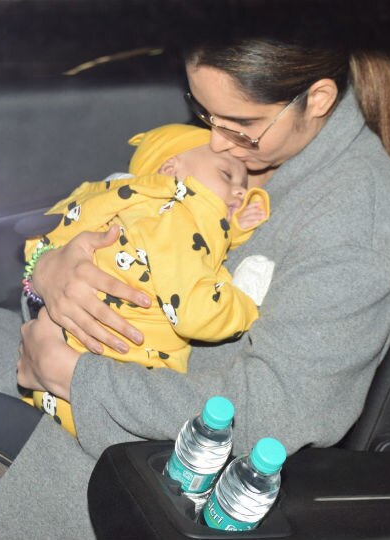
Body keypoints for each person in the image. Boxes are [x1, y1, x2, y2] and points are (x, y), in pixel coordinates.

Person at [0, 36, 390, 540]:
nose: (218, 143)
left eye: (240, 126)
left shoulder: (359, 222)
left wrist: (73, 377)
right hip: (70, 359)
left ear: (319, 99)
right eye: (204, 115)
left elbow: (278, 410)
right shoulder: (230, 145)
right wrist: (46, 271)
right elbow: (108, 219)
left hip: (147, 470)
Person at [21, 123, 270, 435]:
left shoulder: (129, 202)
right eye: (226, 174)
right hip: (112, 384)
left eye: (243, 186)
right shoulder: (175, 220)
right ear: (170, 169)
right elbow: (195, 313)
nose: (241, 191)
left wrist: (232, 230)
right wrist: (244, 300)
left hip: (69, 355)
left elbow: (186, 250)